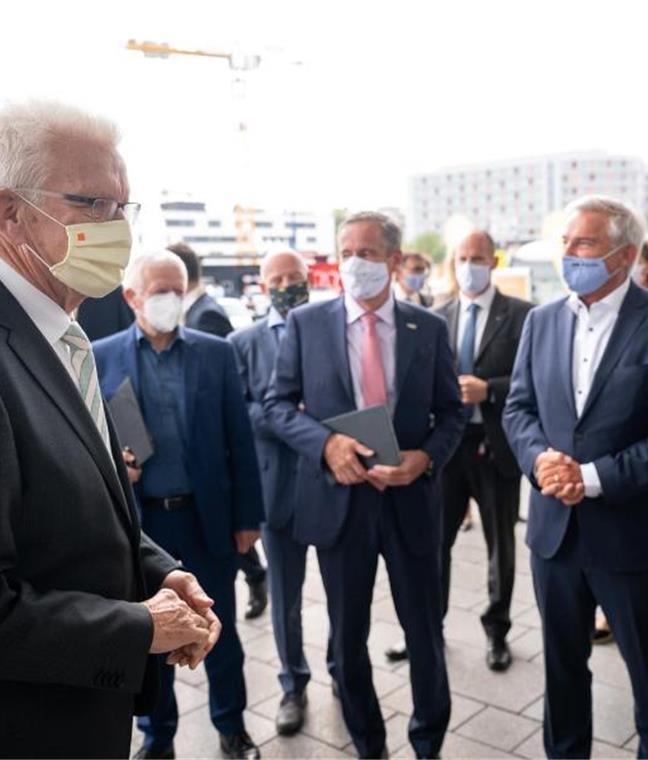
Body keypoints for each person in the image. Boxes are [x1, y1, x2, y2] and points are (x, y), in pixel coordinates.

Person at [0, 100, 220, 759]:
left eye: (125, 209)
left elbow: (67, 513)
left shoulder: (50, 329)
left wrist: (158, 575)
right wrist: (139, 629)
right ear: (9, 213)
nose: (119, 231)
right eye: (93, 204)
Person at [503, 195, 648, 758]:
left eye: (582, 243)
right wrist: (540, 458)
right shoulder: (542, 322)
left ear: (623, 255)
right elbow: (518, 409)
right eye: (565, 242)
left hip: (632, 536)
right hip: (555, 536)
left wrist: (591, 477)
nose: (567, 254)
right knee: (563, 675)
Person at [265, 211, 463, 758]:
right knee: (346, 640)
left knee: (424, 632)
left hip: (411, 503)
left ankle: (428, 742)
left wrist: (425, 458)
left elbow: (451, 414)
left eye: (368, 253)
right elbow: (277, 405)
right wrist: (325, 445)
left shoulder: (430, 329)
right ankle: (368, 743)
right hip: (339, 504)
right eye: (346, 251)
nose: (355, 263)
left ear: (395, 262)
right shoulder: (307, 324)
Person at [93, 249, 265, 760]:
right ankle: (158, 735)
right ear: (132, 297)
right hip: (144, 528)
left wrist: (247, 520)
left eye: (177, 289)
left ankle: (231, 726)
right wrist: (116, 466)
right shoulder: (101, 356)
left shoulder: (215, 353)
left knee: (222, 633)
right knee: (152, 637)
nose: (170, 300)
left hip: (207, 519)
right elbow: (91, 441)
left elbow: (241, 438)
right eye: (159, 290)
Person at [230, 250, 328, 736]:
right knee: (286, 595)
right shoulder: (242, 343)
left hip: (333, 484)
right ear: (263, 284)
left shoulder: (331, 329)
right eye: (278, 279)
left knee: (344, 592)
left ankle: (345, 668)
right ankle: (293, 683)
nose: (288, 285)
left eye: (296, 277)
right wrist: (290, 416)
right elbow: (239, 412)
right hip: (275, 489)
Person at [434, 229, 533, 672]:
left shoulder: (522, 316)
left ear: (493, 262)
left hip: (497, 449)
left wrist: (488, 390)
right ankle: (429, 628)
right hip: (449, 450)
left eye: (477, 257)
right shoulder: (437, 318)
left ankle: (497, 631)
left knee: (500, 547)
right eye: (461, 257)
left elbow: (534, 382)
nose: (469, 265)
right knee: (436, 544)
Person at [171, 241, 269, 620]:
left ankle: (256, 575)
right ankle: (255, 572)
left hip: (210, 461)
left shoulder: (206, 316)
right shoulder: (191, 309)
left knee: (227, 539)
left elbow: (223, 404)